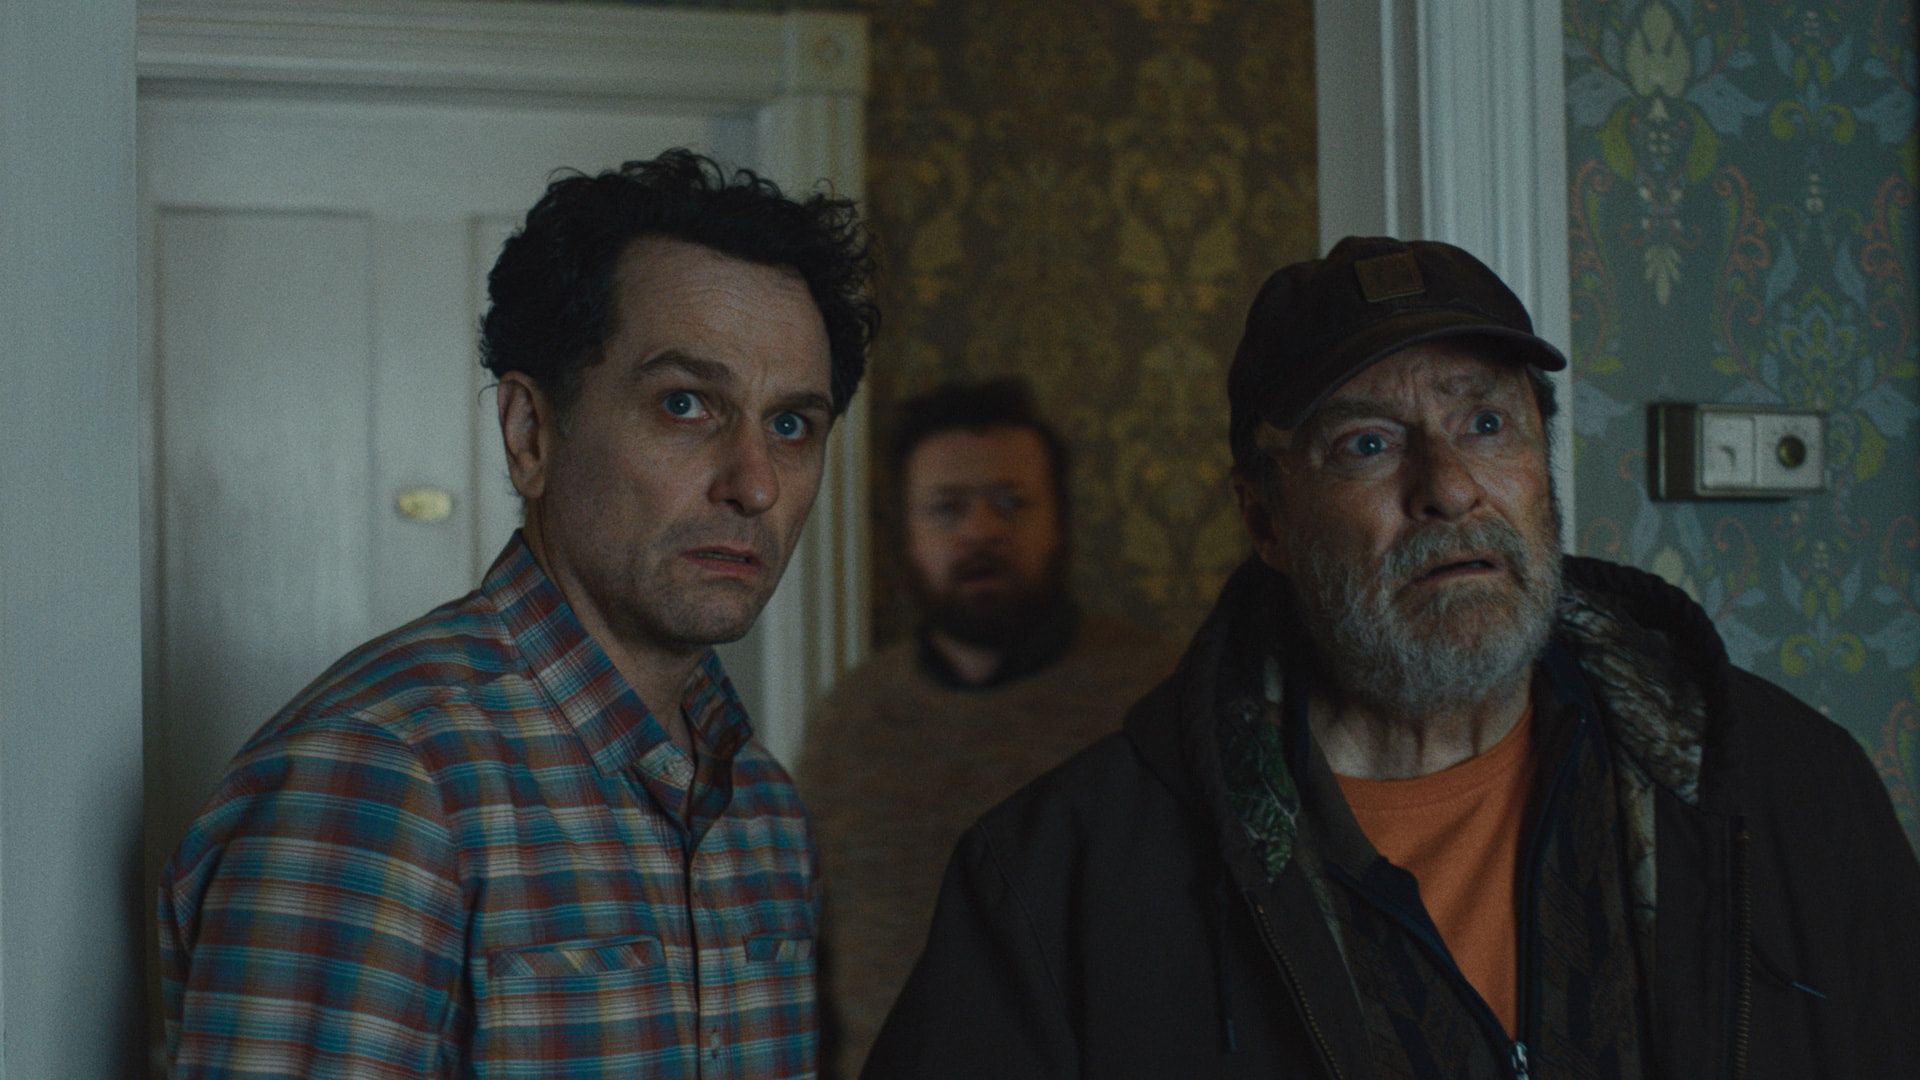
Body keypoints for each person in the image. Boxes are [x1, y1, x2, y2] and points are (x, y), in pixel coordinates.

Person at [864, 236, 1920, 1079]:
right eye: (1368, 443)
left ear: (1542, 466)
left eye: (1486, 422)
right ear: (1266, 519)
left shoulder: (1783, 791)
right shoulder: (1061, 882)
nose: (1448, 487)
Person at [158, 149, 878, 1078]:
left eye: (790, 425)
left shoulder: (762, 809)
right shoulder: (378, 783)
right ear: (530, 433)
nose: (755, 484)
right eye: (686, 404)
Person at [797, 378, 1175, 1076]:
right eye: (947, 508)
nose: (980, 531)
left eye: (1011, 502)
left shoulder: (1158, 698)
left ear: (1060, 520)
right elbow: (804, 968)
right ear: (905, 533)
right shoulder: (847, 719)